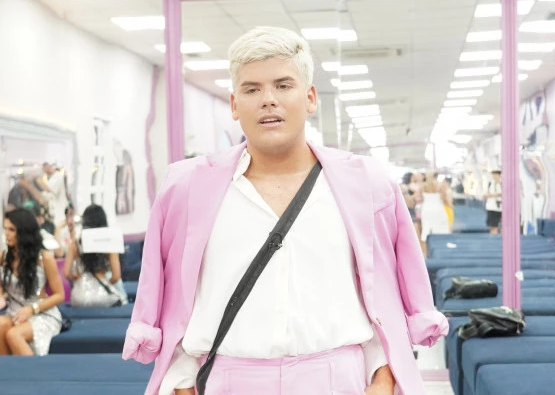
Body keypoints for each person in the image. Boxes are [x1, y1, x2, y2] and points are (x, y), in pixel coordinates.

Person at [123, 26, 447, 395]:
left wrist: (384, 377)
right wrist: (181, 382)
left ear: (310, 97)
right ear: (234, 104)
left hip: (339, 379)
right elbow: (176, 300)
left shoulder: (367, 185)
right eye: (251, 89)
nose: (268, 100)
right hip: (226, 379)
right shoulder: (186, 188)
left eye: (283, 85)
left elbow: (382, 292)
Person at [0, 208, 65, 356]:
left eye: (11, 230)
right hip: (15, 312)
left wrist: (32, 309)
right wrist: (0, 297)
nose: (6, 234)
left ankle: (32, 371)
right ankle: (0, 369)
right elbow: (1, 287)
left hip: (41, 313)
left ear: (24, 232)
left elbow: (59, 295)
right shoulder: (2, 257)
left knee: (14, 334)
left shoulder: (44, 258)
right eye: (5, 229)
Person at [64, 204, 127, 307]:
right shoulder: (109, 242)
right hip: (104, 297)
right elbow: (116, 276)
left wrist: (78, 278)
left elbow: (66, 273)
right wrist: (105, 284)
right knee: (121, 299)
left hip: (80, 296)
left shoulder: (75, 243)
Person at [419, 171, 450, 255]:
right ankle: (441, 251)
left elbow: (421, 198)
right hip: (438, 209)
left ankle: (425, 253)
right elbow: (444, 199)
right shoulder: (441, 185)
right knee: (441, 229)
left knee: (425, 230)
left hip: (426, 209)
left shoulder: (423, 186)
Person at [486, 170, 503, 234]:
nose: (494, 176)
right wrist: (495, 195)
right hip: (491, 207)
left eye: (496, 175)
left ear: (499, 175)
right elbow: (486, 194)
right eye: (493, 175)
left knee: (502, 225)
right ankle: (493, 237)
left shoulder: (502, 184)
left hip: (501, 208)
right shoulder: (490, 183)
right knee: (493, 225)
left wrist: (493, 195)